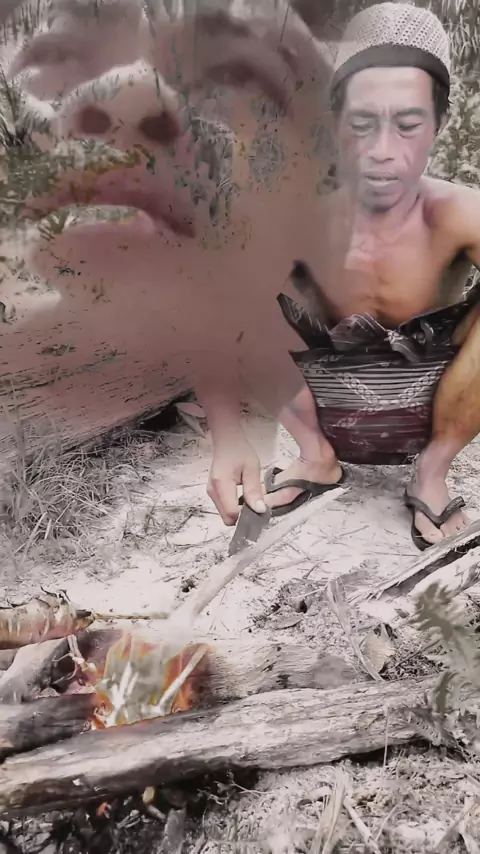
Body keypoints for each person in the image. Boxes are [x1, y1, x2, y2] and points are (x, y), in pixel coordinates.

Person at [208, 1, 480, 551]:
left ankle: (431, 474)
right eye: (361, 124)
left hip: (436, 407)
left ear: (440, 123)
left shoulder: (459, 214)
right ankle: (316, 458)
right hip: (328, 409)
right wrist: (227, 435)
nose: (383, 152)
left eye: (408, 125)